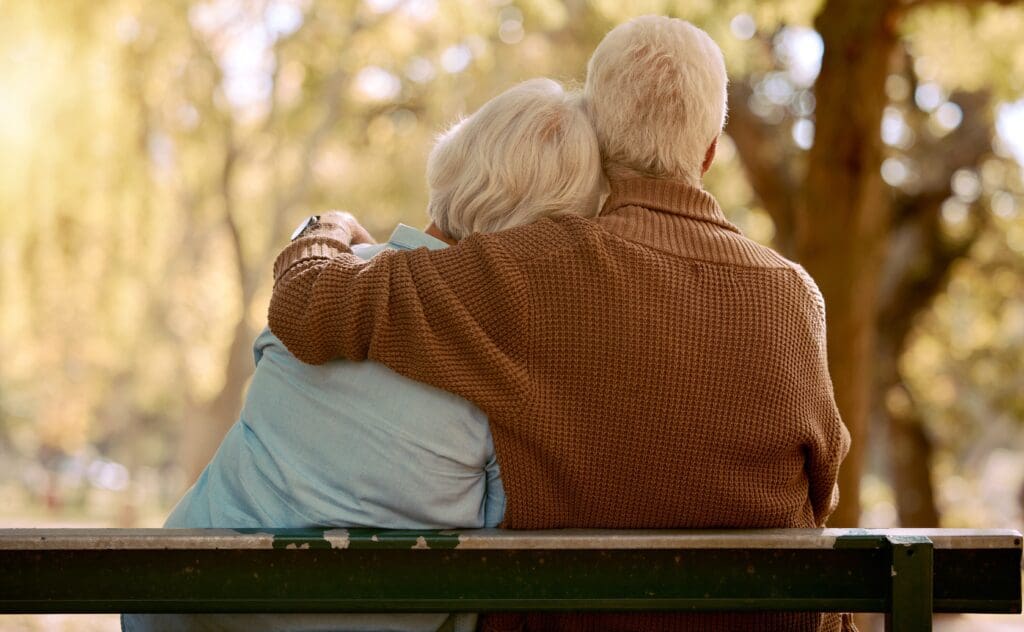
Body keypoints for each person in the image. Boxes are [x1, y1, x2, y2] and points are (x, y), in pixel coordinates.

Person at [269, 15, 853, 632]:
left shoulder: (531, 267)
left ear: (592, 136)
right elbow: (822, 491)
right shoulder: (793, 296)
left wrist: (329, 227)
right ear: (710, 151)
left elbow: (308, 307)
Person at [121, 77, 603, 632]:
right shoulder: (511, 366)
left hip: (184, 609)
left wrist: (326, 226)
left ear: (452, 165)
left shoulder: (318, 285)